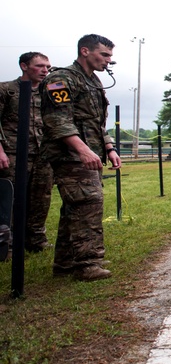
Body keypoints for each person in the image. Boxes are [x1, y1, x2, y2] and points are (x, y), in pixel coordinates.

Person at [41, 34, 121, 281]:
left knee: (74, 206)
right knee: (88, 202)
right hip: (70, 155)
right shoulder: (60, 79)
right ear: (85, 51)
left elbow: (96, 122)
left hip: (91, 153)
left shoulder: (93, 81)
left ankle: (65, 262)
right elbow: (57, 119)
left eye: (109, 55)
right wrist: (82, 149)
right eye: (104, 54)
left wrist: (108, 147)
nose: (108, 60)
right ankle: (87, 263)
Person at [0, 51, 54, 254]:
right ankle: (10, 243)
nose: (45, 71)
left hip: (43, 152)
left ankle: (36, 239)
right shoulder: (6, 90)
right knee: (11, 197)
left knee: (41, 196)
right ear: (24, 66)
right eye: (40, 66)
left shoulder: (49, 91)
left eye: (47, 67)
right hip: (13, 152)